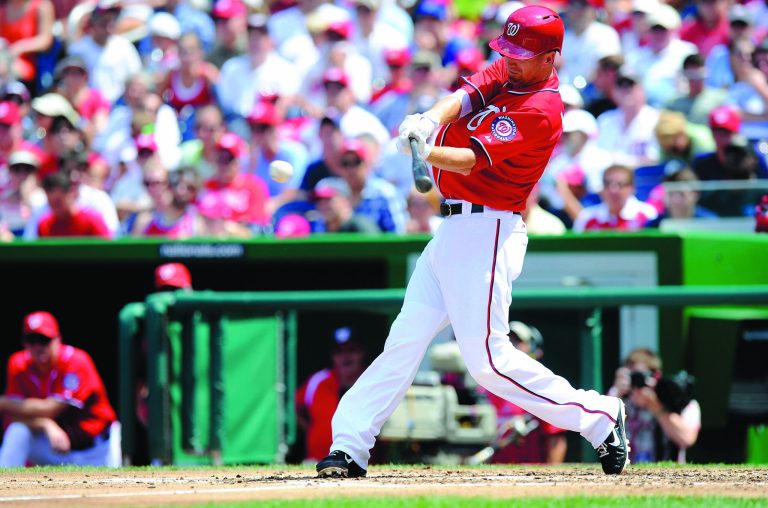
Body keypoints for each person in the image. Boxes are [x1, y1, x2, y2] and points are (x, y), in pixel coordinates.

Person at [315, 5, 629, 479]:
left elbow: (468, 160)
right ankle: (349, 446)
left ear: (552, 57)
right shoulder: (512, 65)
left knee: (487, 362)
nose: (513, 59)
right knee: (404, 340)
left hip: (489, 232)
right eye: (511, 49)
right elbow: (466, 95)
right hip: (453, 230)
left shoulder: (542, 109)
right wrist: (425, 120)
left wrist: (422, 147)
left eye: (525, 54)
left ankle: (599, 417)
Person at [0, 311, 119, 466]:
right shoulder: (18, 364)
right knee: (18, 431)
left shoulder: (76, 361)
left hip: (98, 449)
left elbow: (50, 409)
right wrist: (45, 424)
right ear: (24, 343)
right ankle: (5, 485)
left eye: (44, 340)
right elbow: (14, 416)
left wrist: (3, 402)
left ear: (58, 339)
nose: (38, 347)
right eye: (31, 340)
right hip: (59, 449)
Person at [480, 321, 567, 464]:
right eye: (508, 341)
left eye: (517, 341)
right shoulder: (485, 387)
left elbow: (556, 440)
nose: (511, 346)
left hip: (530, 478)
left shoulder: (542, 388)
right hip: (490, 478)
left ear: (532, 348)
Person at [608, 348, 700, 463]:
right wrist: (616, 394)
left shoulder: (677, 401)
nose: (637, 385)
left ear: (656, 376)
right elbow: (596, 430)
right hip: (625, 476)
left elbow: (686, 439)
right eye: (633, 377)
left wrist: (655, 406)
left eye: (641, 377)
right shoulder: (619, 400)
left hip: (667, 476)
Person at [295, 327, 366, 463]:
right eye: (339, 352)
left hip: (361, 465)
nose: (345, 357)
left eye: (352, 350)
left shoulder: (372, 381)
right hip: (316, 461)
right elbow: (295, 407)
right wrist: (310, 430)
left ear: (362, 353)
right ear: (332, 356)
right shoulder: (318, 380)